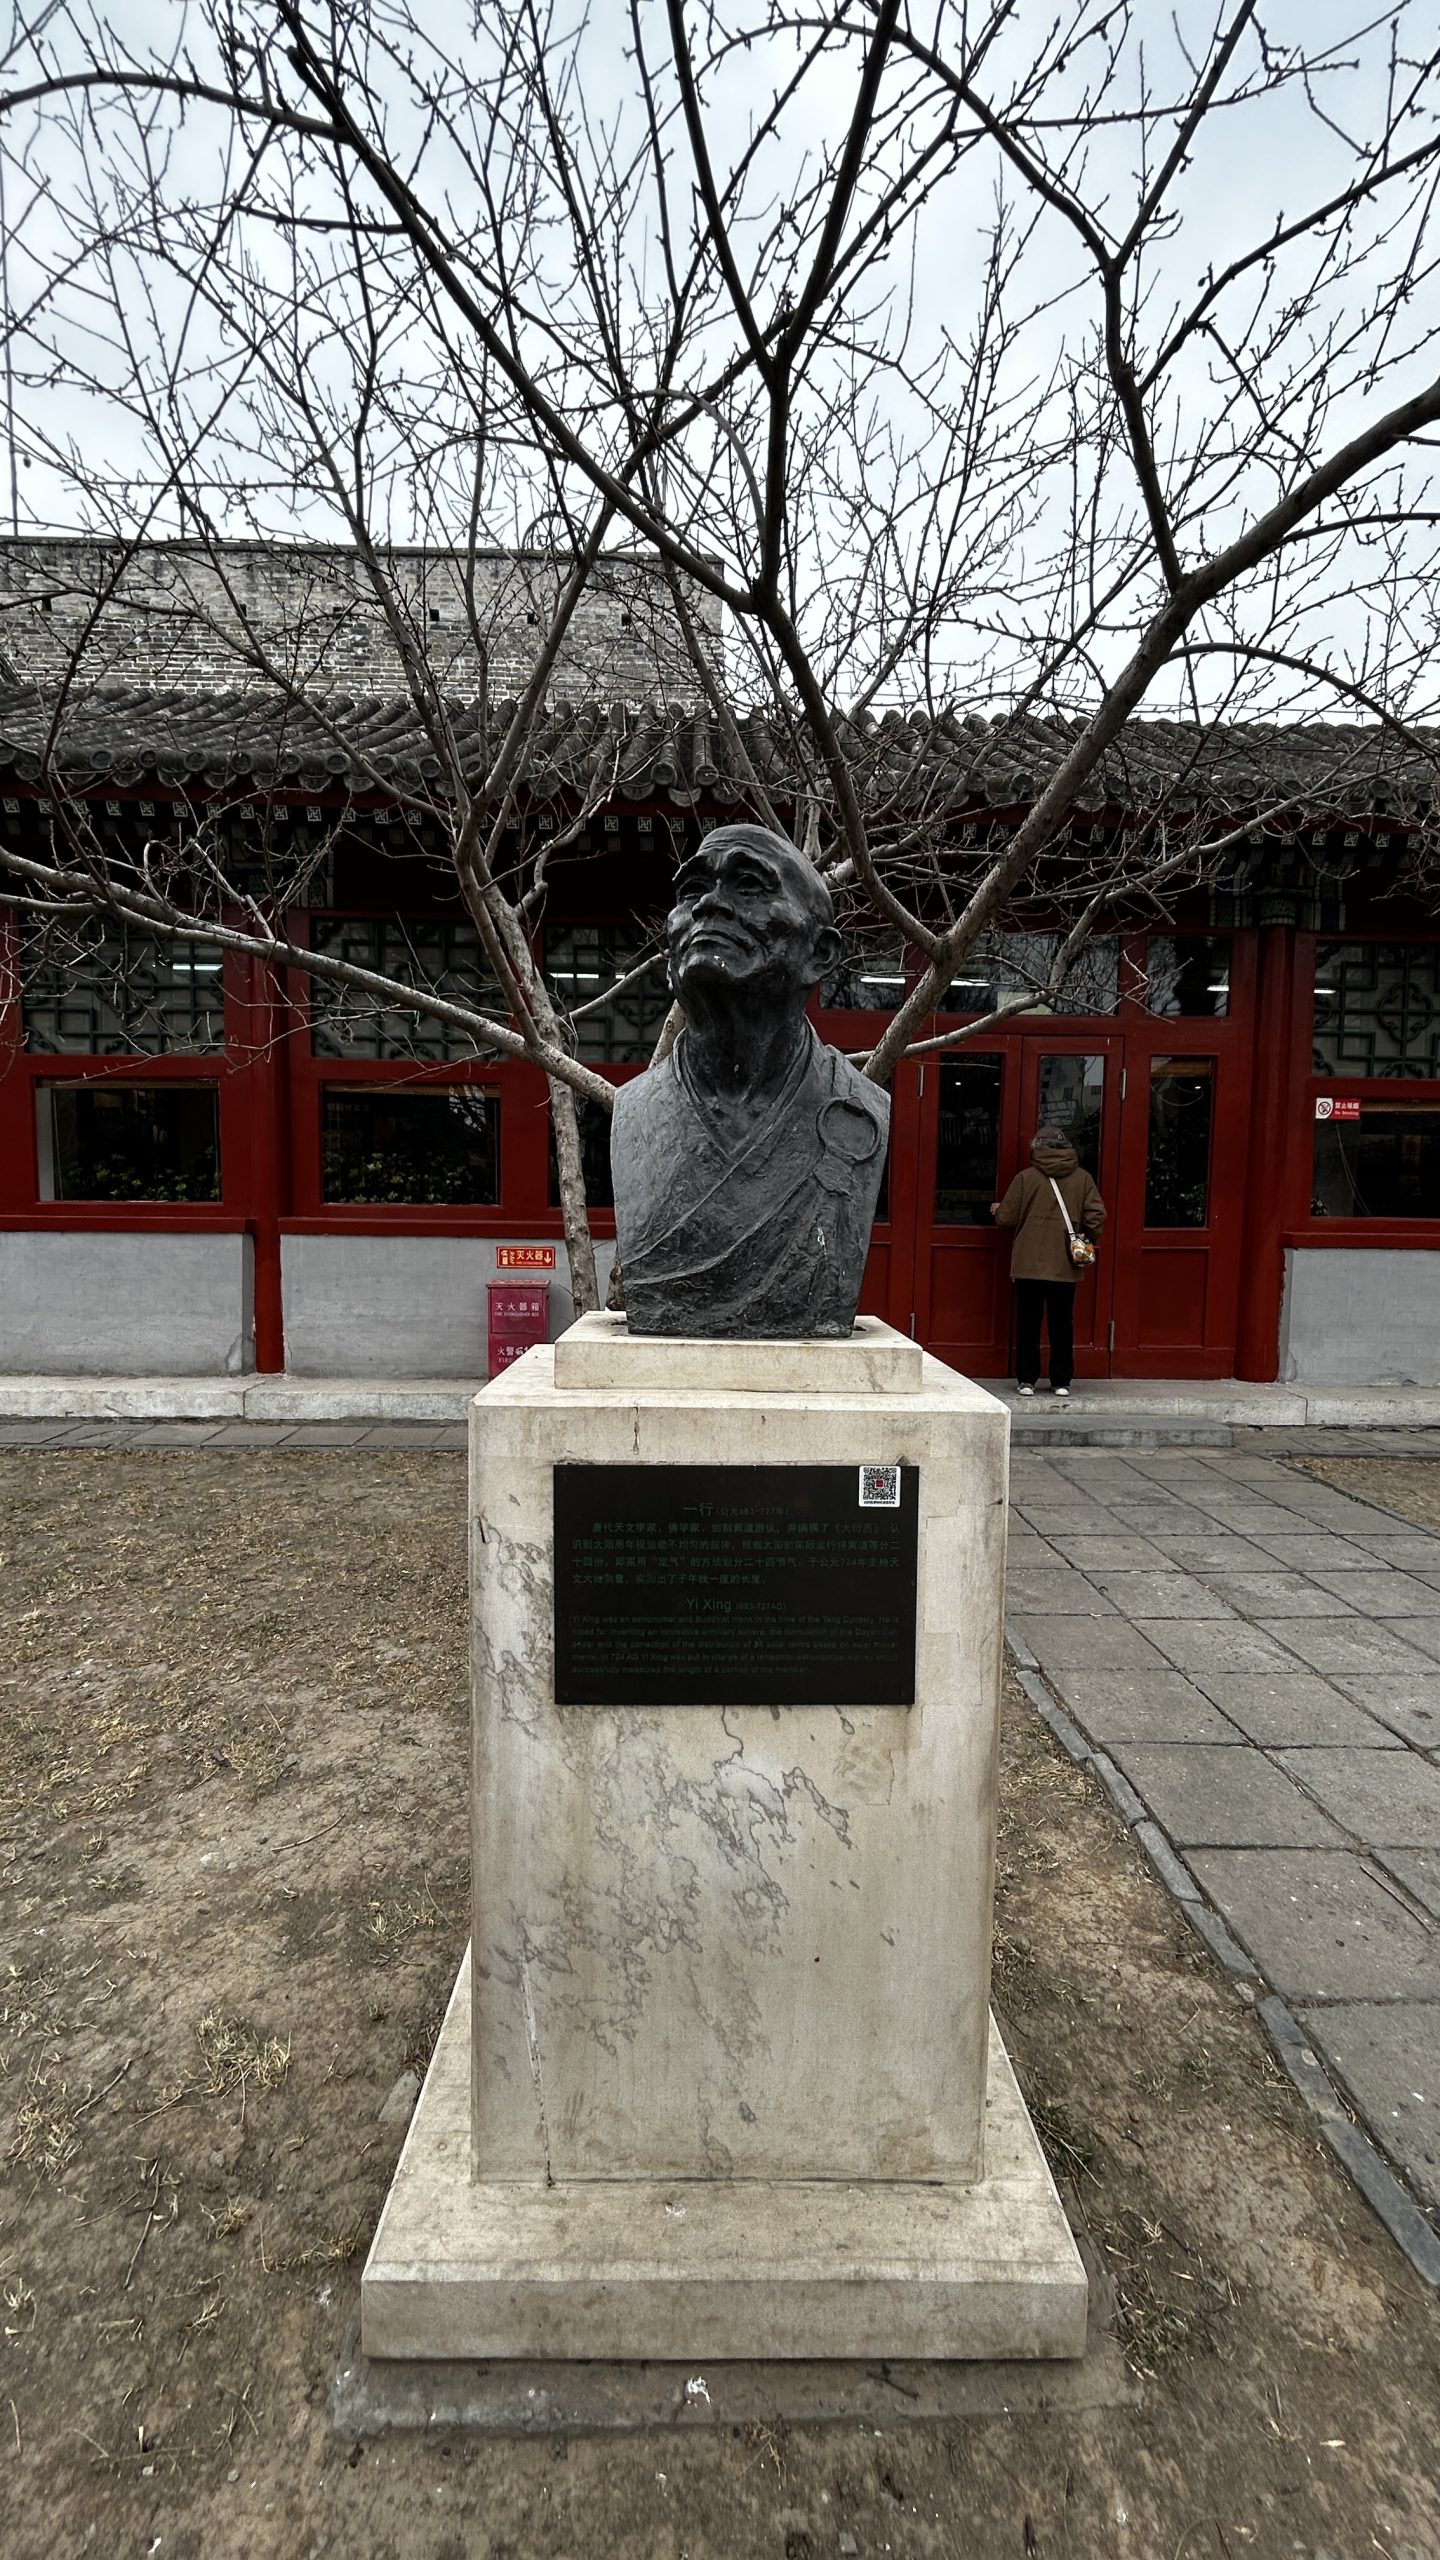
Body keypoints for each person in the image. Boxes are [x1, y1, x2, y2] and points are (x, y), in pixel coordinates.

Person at [610, 824, 890, 1337]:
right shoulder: (635, 1112)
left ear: (819, 953)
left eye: (749, 886)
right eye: (693, 890)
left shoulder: (858, 1112)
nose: (708, 905)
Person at [991, 1126, 1106, 1397]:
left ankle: (1027, 1380)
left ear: (1037, 1148)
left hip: (1029, 1263)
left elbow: (1006, 1218)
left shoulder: (1026, 1178)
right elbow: (1096, 1216)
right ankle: (1061, 1381)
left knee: (1028, 1323)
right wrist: (1086, 1236)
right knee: (1062, 1324)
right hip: (1065, 1264)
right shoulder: (1083, 1179)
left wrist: (997, 1210)